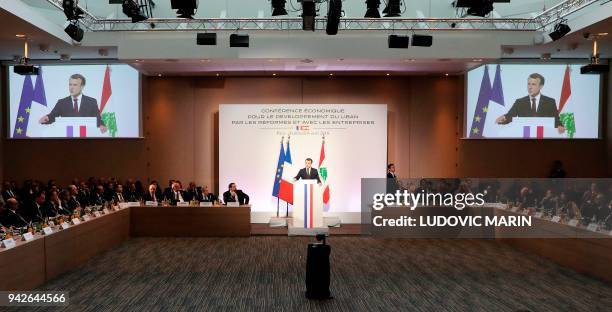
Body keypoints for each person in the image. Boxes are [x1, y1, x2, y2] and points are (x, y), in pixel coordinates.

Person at [495, 73, 565, 134]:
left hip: (543, 139)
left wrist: (559, 126)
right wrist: (503, 118)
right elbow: (509, 116)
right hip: (525, 139)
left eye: (533, 84)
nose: (530, 87)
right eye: (529, 84)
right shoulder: (519, 102)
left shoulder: (550, 102)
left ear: (541, 86)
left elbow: (556, 119)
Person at [38, 74, 107, 133]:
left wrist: (101, 125)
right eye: (70, 84)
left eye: (75, 85)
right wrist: (46, 118)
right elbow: (52, 116)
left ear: (82, 86)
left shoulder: (91, 102)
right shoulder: (62, 102)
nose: (71, 87)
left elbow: (97, 119)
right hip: (68, 139)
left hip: (85, 139)